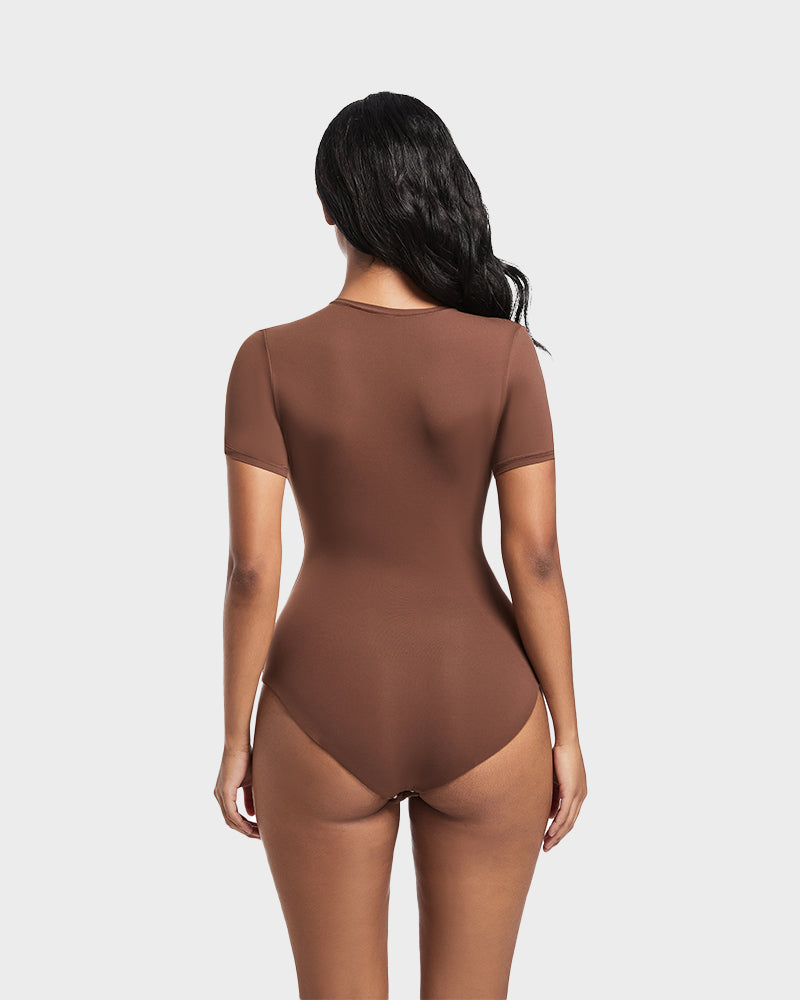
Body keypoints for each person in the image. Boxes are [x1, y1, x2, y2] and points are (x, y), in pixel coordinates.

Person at [214, 91, 587, 1000]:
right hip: (486, 705)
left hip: (320, 704)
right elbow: (536, 557)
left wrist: (233, 738)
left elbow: (252, 569)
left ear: (331, 207)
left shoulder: (267, 359)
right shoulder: (505, 357)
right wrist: (569, 733)